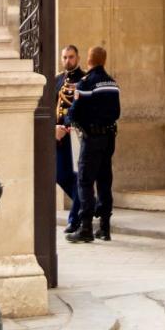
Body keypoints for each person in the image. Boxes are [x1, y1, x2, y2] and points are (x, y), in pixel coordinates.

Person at [68, 44, 120, 243]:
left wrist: (73, 123)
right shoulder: (113, 84)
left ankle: (86, 227)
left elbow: (75, 112)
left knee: (85, 181)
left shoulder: (86, 83)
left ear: (89, 60)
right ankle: (105, 228)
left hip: (92, 139)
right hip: (109, 138)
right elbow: (116, 113)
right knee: (105, 180)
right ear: (104, 61)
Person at [54, 43, 85, 238]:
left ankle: (74, 219)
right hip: (58, 136)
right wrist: (54, 127)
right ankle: (86, 202)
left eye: (71, 57)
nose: (68, 61)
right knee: (60, 175)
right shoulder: (58, 80)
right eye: (65, 57)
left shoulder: (84, 79)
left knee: (77, 176)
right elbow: (50, 106)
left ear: (78, 58)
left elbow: (79, 107)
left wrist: (67, 125)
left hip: (75, 135)